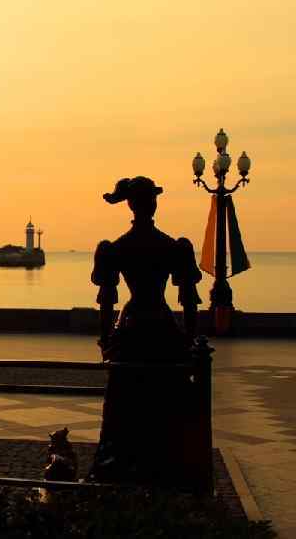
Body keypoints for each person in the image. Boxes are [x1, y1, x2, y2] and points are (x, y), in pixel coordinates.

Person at [89, 176, 203, 487]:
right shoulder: (173, 246)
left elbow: (107, 302)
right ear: (151, 204)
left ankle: (121, 465)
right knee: (165, 403)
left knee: (123, 405)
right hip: (163, 328)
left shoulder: (116, 248)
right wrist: (190, 341)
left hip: (131, 329)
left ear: (129, 204)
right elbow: (189, 301)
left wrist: (106, 340)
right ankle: (166, 465)